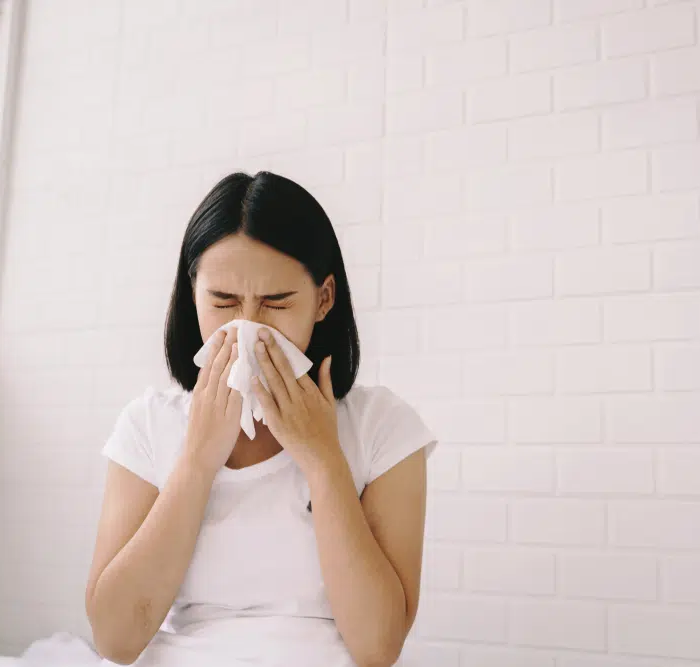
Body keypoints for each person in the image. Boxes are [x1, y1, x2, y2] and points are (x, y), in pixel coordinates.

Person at [84, 172, 437, 667]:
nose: (247, 328)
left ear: (323, 299)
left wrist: (323, 459)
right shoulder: (147, 424)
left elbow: (378, 647)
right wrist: (197, 462)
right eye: (223, 303)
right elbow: (116, 640)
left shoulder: (382, 426)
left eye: (276, 303)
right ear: (193, 297)